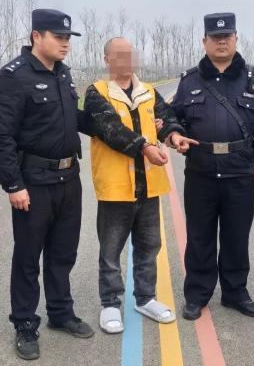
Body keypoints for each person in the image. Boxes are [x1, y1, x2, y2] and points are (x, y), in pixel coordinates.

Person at [0, 9, 94, 360]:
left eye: (68, 38)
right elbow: (0, 136)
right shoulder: (13, 77)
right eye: (58, 37)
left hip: (69, 179)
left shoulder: (64, 74)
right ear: (37, 36)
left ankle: (60, 313)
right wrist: (13, 185)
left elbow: (74, 119)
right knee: (28, 257)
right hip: (33, 182)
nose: (65, 44)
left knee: (63, 253)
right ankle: (24, 324)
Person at [171, 12, 254, 321]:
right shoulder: (189, 81)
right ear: (204, 41)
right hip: (201, 172)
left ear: (235, 39)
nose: (222, 42)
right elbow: (172, 116)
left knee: (236, 237)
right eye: (215, 37)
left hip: (240, 172)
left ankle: (235, 292)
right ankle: (197, 294)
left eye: (227, 37)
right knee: (199, 236)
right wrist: (174, 133)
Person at [84, 37, 197, 333]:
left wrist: (174, 135)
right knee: (111, 250)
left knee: (149, 246)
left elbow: (166, 117)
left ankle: (145, 298)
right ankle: (110, 303)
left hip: (148, 185)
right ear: (107, 59)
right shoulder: (97, 92)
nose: (126, 59)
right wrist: (145, 146)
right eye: (118, 54)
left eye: (129, 54)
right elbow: (110, 129)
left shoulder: (147, 91)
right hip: (115, 187)